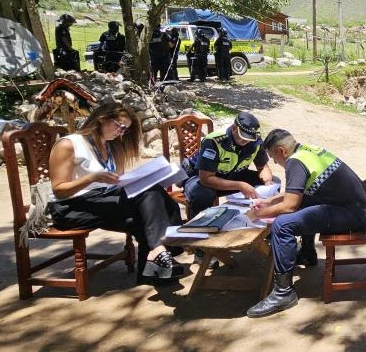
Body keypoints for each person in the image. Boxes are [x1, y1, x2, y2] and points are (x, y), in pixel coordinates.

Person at [47, 102, 185, 285]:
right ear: (102, 119)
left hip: (101, 202)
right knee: (150, 195)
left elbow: (116, 182)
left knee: (151, 202)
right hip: (71, 207)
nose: (121, 133)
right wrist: (90, 178)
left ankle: (151, 271)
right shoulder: (69, 144)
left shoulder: (111, 146)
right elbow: (59, 189)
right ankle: (161, 250)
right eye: (119, 126)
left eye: (125, 130)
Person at [245, 129, 366, 318]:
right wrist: (270, 201)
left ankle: (283, 293)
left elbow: (290, 205)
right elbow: (298, 192)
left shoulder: (296, 162)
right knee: (305, 203)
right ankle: (307, 253)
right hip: (356, 206)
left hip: (351, 214)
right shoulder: (308, 150)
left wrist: (256, 215)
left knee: (282, 224)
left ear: (281, 151)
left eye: (272, 157)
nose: (273, 162)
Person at [182, 112, 275, 219]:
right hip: (199, 178)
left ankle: (262, 224)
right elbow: (205, 179)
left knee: (273, 184)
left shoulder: (254, 142)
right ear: (234, 128)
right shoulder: (214, 141)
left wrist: (268, 182)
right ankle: (197, 227)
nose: (245, 141)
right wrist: (240, 185)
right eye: (242, 137)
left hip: (233, 177)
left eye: (249, 138)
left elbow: (263, 167)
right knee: (204, 194)